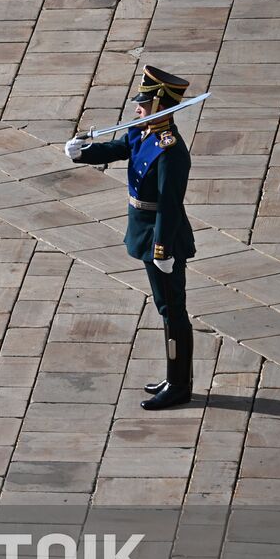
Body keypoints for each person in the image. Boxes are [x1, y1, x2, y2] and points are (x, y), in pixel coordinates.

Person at [66, 66, 196, 411]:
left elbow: (169, 205)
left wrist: (163, 249)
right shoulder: (145, 131)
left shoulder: (171, 150)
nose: (137, 108)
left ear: (159, 105)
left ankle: (180, 384)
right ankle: (173, 378)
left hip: (160, 238)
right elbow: (120, 148)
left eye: (144, 103)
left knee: (172, 311)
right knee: (164, 307)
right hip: (142, 230)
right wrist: (83, 153)